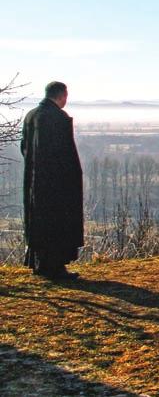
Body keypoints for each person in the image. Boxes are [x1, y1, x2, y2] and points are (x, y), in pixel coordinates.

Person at [21, 81, 84, 280]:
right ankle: (55, 267)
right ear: (62, 96)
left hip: (34, 181)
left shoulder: (31, 116)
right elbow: (65, 155)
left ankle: (40, 264)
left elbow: (25, 147)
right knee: (57, 223)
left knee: (38, 222)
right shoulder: (58, 118)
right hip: (57, 183)